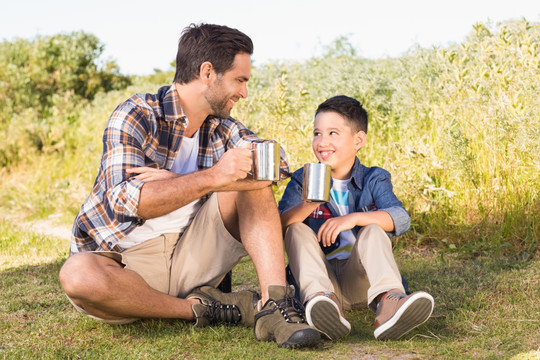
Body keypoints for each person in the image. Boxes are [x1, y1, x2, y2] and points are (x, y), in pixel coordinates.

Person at [59, 23, 320, 349]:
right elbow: (131, 202)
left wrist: (181, 180)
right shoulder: (136, 114)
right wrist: (214, 177)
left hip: (194, 254)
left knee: (253, 184)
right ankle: (206, 309)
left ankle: (273, 306)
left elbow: (274, 167)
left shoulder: (224, 128)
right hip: (129, 265)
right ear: (208, 72)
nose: (244, 92)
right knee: (77, 275)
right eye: (240, 80)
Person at [278, 95, 434, 341]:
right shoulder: (302, 179)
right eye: (317, 133)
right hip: (319, 281)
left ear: (358, 140)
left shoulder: (374, 178)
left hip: (361, 281)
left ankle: (390, 302)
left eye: (332, 133)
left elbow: (400, 218)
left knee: (373, 228)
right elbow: (277, 227)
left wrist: (353, 219)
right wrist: (310, 203)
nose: (322, 142)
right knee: (296, 230)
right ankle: (324, 306)